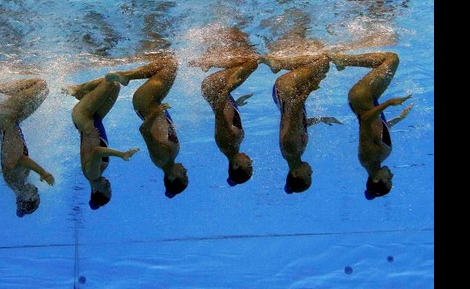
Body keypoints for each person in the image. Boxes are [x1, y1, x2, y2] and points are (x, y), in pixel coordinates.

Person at [327, 51, 413, 199]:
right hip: (371, 100)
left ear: (376, 179)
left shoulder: (368, 156)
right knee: (386, 63)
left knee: (391, 59)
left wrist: (388, 103)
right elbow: (378, 130)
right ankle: (343, 61)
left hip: (361, 98)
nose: (392, 175)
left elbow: (366, 121)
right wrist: (399, 118)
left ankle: (343, 60)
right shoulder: (379, 158)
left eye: (388, 179)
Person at [106, 53, 188, 198]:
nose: (186, 171)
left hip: (146, 103)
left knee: (170, 63)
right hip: (152, 102)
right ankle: (127, 75)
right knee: (166, 64)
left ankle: (126, 76)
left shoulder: (161, 159)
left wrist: (156, 112)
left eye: (184, 175)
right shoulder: (169, 158)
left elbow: (143, 130)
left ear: (171, 177)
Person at [261, 53, 342, 194]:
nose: (311, 172)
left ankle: (276, 64)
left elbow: (294, 110)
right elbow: (298, 124)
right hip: (286, 93)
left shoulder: (291, 148)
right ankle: (279, 63)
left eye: (308, 175)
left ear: (296, 173)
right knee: (315, 65)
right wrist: (321, 119)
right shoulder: (294, 153)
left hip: (287, 89)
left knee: (323, 63)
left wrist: (309, 88)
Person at [191, 28, 260, 186]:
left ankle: (207, 60)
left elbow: (219, 112)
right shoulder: (233, 145)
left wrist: (228, 87)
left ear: (235, 165)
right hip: (218, 91)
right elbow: (226, 115)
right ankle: (214, 53)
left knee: (251, 62)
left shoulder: (227, 143)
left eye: (248, 165)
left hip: (214, 89)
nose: (250, 161)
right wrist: (236, 103)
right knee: (247, 61)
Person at [0, 78, 54, 217]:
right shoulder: (15, 183)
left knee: (40, 86)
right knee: (42, 91)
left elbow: (20, 159)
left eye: (36, 196)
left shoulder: (16, 180)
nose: (37, 191)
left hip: (6, 117)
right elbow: (10, 163)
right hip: (9, 120)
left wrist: (43, 173)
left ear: (27, 197)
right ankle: (1, 90)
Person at [63, 73, 140, 210]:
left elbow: (97, 151)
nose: (109, 186)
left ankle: (78, 89)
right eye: (110, 189)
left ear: (95, 190)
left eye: (106, 189)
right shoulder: (99, 173)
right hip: (96, 118)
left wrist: (121, 154)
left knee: (110, 81)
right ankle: (84, 95)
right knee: (115, 85)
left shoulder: (92, 174)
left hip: (83, 117)